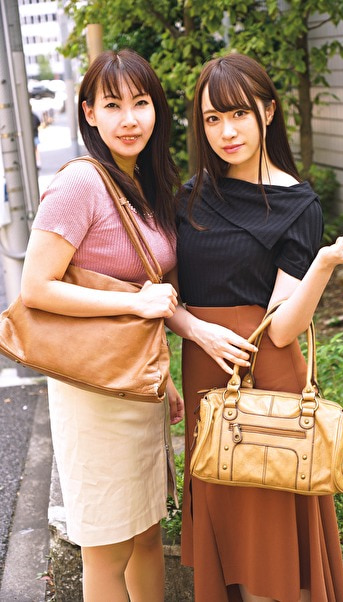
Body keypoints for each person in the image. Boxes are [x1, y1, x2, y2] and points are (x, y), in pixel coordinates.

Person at [166, 53, 343, 601]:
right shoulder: (188, 196)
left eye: (239, 114)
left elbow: (280, 330)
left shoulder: (297, 204)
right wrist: (195, 330)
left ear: (269, 111)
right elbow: (165, 296)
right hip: (206, 371)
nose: (227, 132)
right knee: (229, 543)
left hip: (266, 378)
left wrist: (322, 265)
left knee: (268, 554)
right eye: (212, 119)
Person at [21, 49, 184, 602]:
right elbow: (36, 287)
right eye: (112, 105)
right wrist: (137, 304)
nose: (129, 119)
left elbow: (149, 294)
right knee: (107, 547)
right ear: (89, 113)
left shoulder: (147, 185)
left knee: (147, 534)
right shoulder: (80, 184)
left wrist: (163, 375)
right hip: (93, 389)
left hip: (138, 382)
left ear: (156, 109)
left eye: (141, 103)